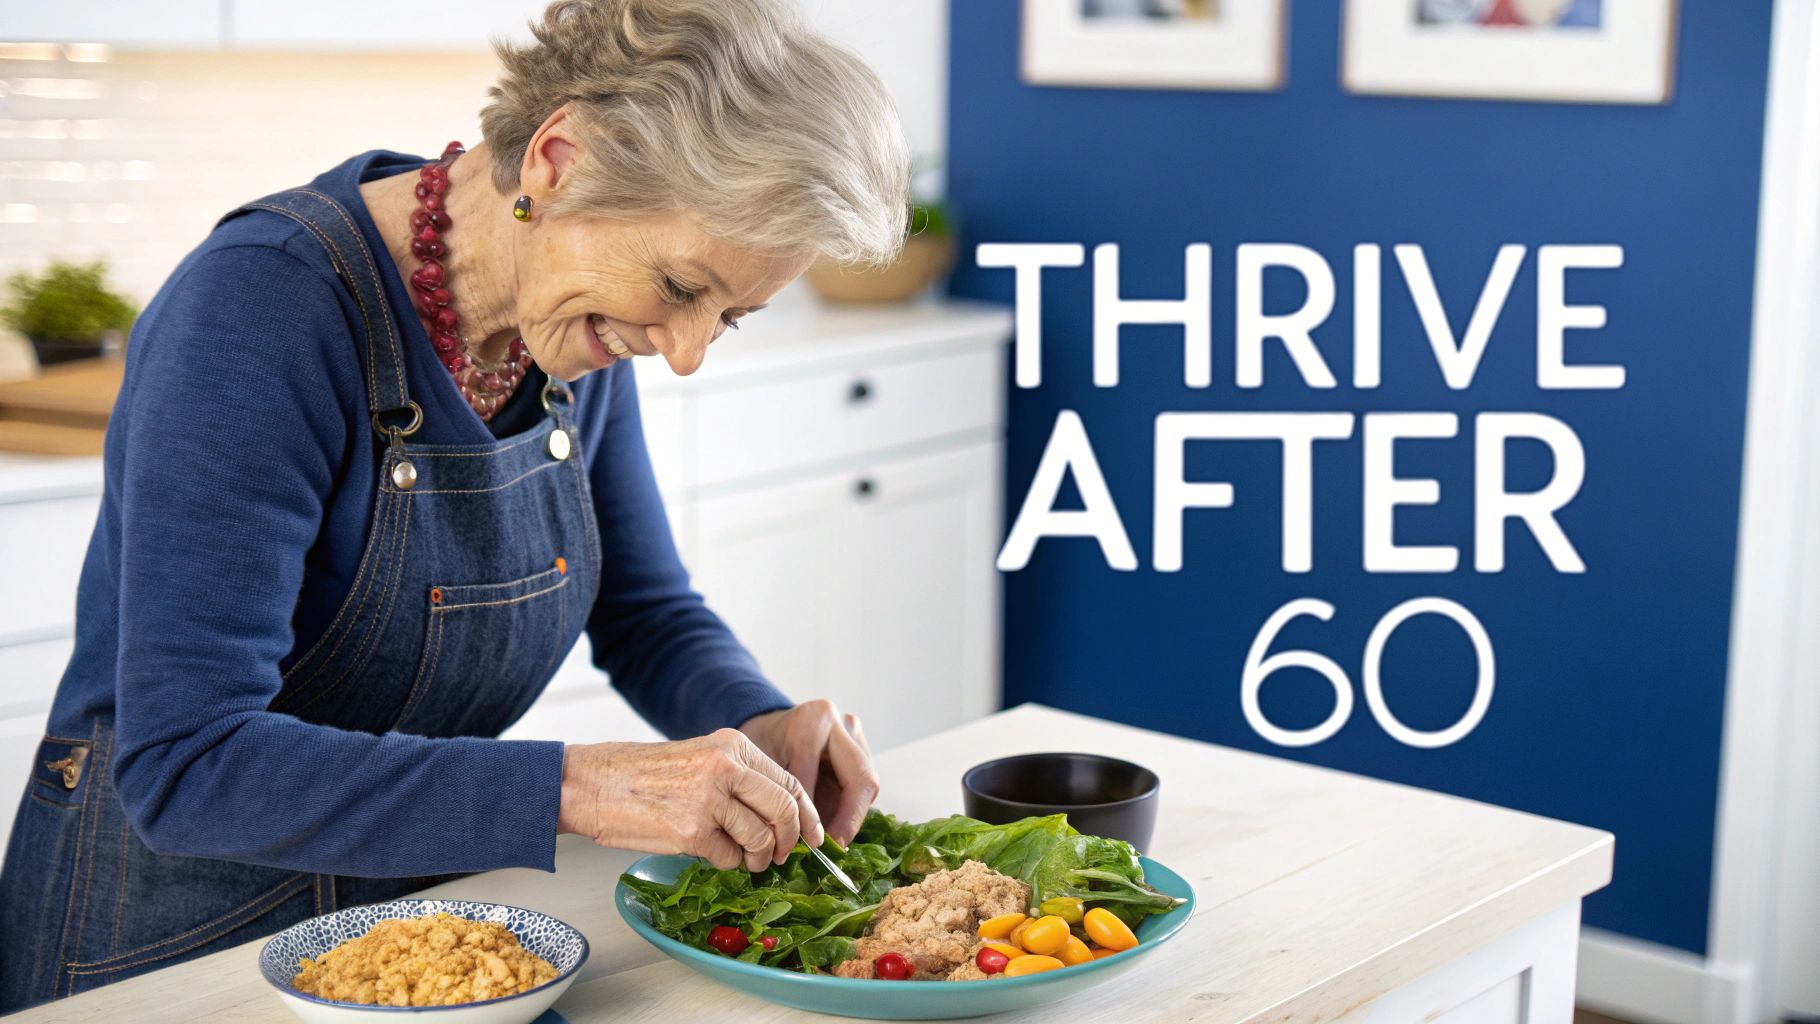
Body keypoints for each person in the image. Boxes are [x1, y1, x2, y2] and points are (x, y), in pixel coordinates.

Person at [0, 0, 907, 1010]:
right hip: (170, 945)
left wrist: (761, 721)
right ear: (557, 163)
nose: (686, 352)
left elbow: (643, 612)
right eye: (679, 285)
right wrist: (582, 787)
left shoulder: (570, 316)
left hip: (419, 929)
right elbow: (191, 762)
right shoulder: (260, 311)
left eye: (729, 317)